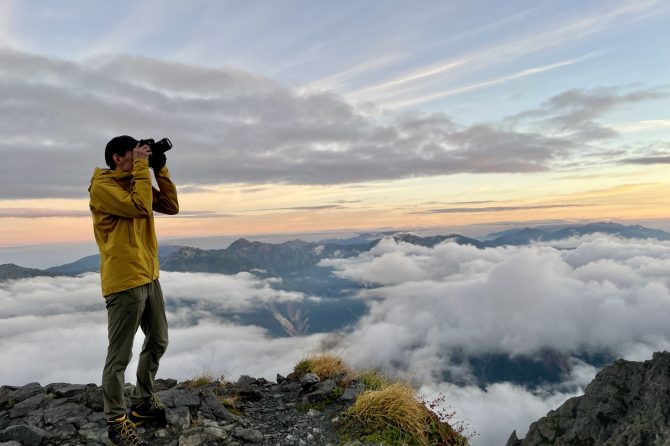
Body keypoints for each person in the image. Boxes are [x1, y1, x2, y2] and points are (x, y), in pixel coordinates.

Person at [89, 135, 179, 446]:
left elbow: (170, 205)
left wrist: (160, 168)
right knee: (119, 356)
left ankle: (143, 399)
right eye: (134, 154)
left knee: (158, 339)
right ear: (116, 158)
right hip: (124, 280)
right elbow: (140, 207)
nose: (140, 157)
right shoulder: (104, 187)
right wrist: (142, 168)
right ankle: (117, 423)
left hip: (148, 275)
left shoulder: (134, 180)